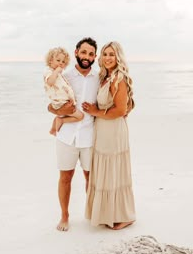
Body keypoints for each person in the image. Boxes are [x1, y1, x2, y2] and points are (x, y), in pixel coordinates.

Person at [82, 41, 136, 230]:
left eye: (112, 54)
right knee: (105, 169)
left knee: (114, 170)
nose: (108, 58)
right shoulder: (105, 77)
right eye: (105, 54)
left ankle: (125, 215)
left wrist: (96, 112)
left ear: (118, 57)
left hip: (113, 130)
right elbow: (127, 106)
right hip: (103, 129)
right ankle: (106, 213)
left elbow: (121, 110)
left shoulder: (118, 78)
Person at [48, 37, 99, 231]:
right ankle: (64, 216)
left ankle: (92, 212)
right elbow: (51, 104)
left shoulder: (98, 77)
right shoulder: (64, 76)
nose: (87, 57)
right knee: (65, 177)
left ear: (95, 57)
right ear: (76, 52)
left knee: (90, 178)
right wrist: (58, 113)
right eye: (84, 52)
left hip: (89, 136)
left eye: (91, 54)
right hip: (66, 135)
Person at [44, 47, 84, 136]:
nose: (61, 63)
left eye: (63, 62)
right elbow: (50, 82)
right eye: (58, 60)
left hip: (63, 102)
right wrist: (57, 71)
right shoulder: (49, 72)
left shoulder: (57, 74)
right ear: (50, 60)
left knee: (66, 114)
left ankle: (54, 128)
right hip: (61, 103)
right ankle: (61, 121)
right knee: (80, 116)